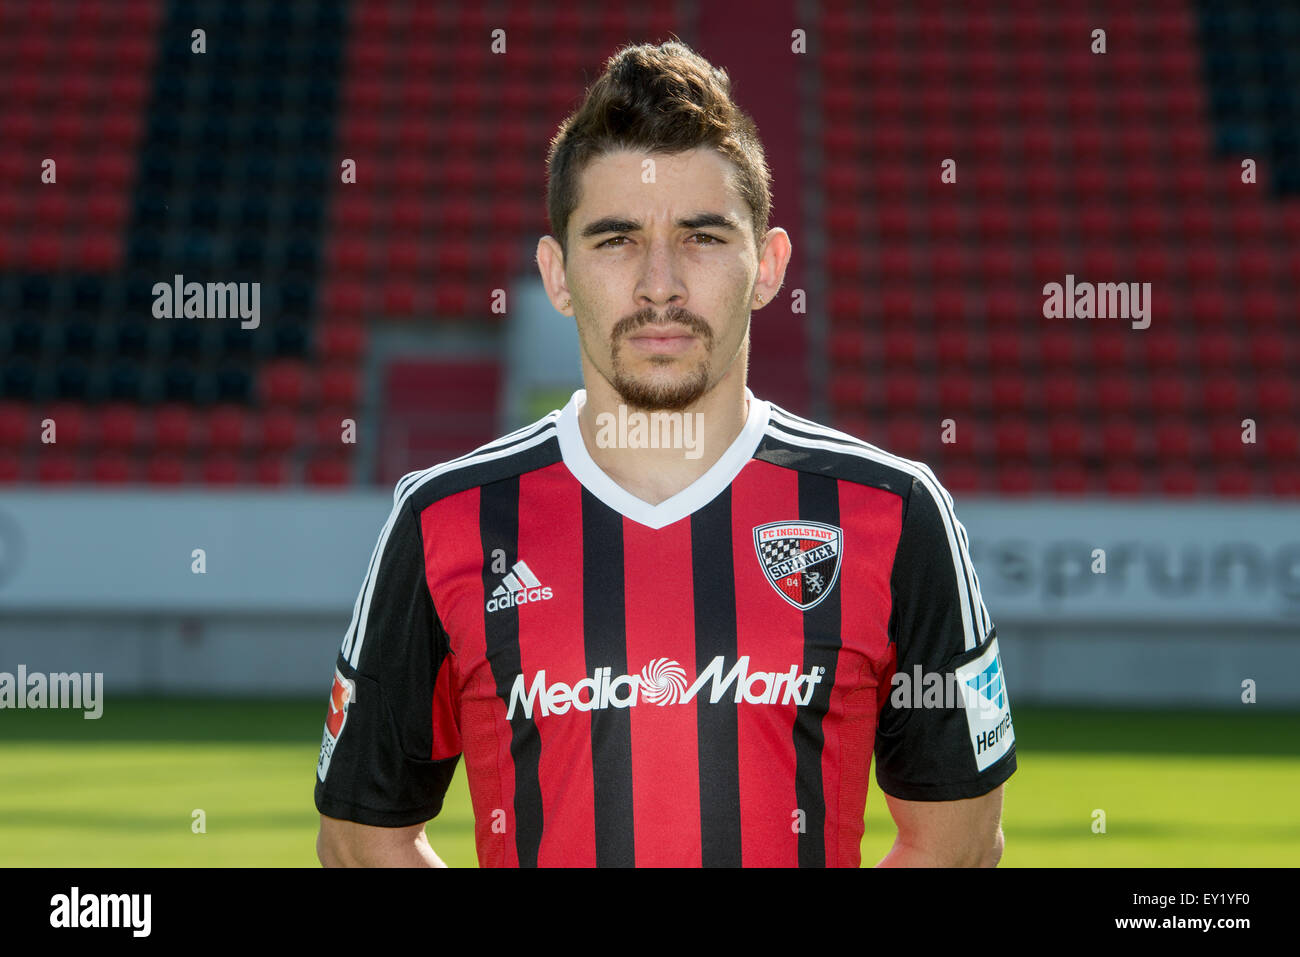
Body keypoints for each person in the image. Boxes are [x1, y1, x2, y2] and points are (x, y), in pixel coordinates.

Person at [315, 39, 1014, 867]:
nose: (659, 285)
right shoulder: (445, 520)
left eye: (703, 237)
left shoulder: (893, 514)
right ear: (558, 273)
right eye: (614, 240)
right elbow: (362, 838)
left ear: (768, 266)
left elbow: (959, 843)